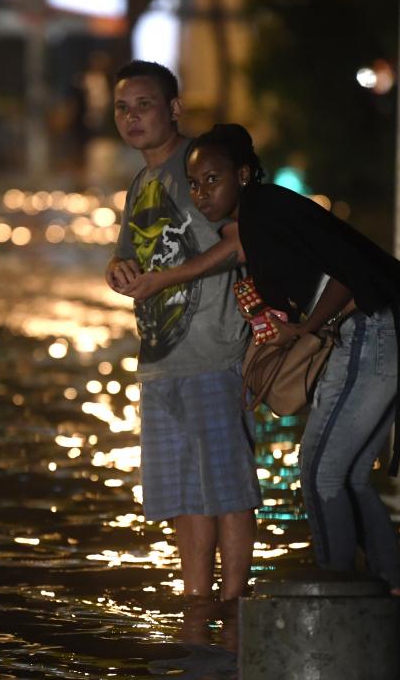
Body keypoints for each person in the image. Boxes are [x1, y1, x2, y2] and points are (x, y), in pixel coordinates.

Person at [134, 123, 400, 598]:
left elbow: (346, 276)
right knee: (346, 473)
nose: (202, 192)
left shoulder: (264, 212)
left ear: (244, 174)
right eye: (194, 184)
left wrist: (308, 327)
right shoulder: (263, 214)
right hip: (389, 329)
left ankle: (336, 593)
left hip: (376, 329)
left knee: (321, 471)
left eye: (214, 179)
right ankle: (391, 590)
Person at [104, 61, 260, 605]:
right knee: (182, 497)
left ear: (173, 108)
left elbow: (243, 241)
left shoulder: (202, 162)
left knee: (228, 490)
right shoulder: (142, 181)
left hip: (215, 353)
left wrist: (167, 277)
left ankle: (234, 609)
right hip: (160, 359)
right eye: (122, 107)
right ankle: (196, 607)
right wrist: (117, 269)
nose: (132, 117)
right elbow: (129, 252)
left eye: (144, 105)